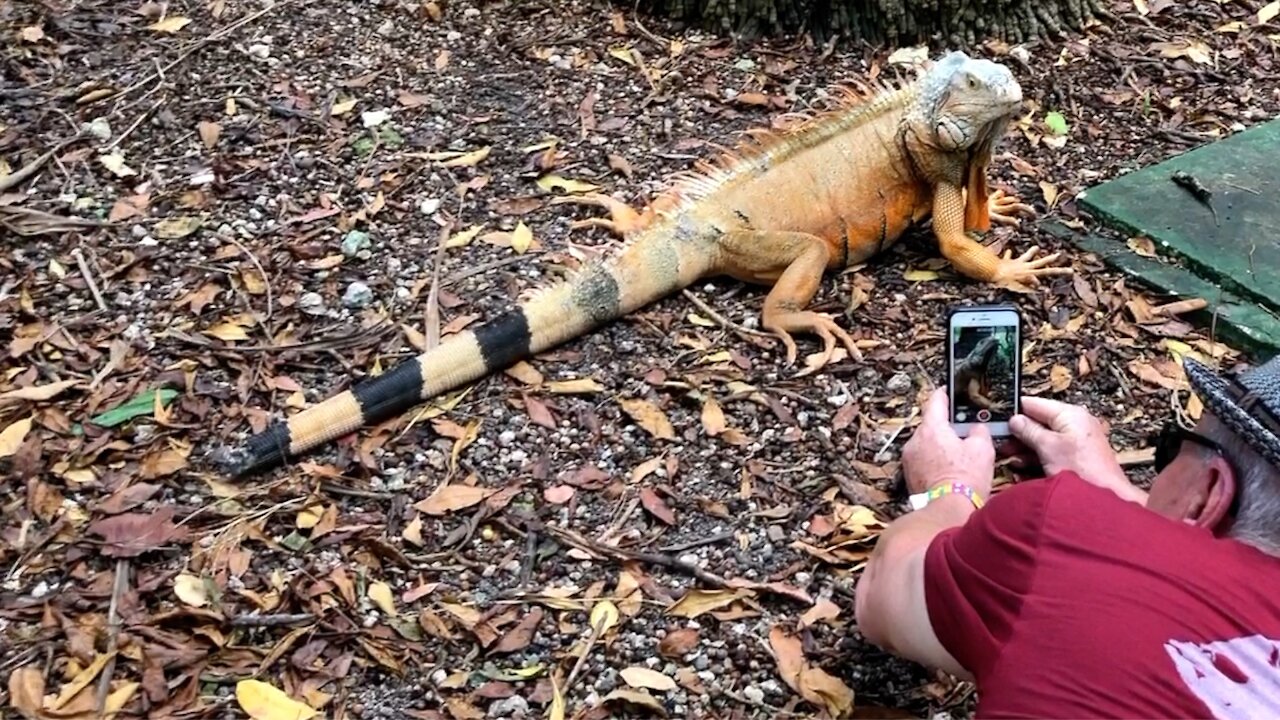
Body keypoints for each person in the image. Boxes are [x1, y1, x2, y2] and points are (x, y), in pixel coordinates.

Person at [854, 354, 1280, 718]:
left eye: (1172, 447)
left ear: (1207, 495)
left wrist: (949, 486)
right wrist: (1115, 491)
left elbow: (880, 593)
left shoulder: (1059, 535)